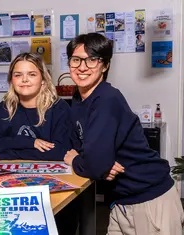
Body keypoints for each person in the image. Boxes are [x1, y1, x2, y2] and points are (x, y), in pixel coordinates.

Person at [64, 33, 184, 234]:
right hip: (121, 201)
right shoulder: (78, 99)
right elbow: (76, 145)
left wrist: (86, 162)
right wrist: (97, 163)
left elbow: (91, 163)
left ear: (105, 65)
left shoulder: (107, 99)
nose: (82, 67)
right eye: (76, 60)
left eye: (92, 60)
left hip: (150, 199)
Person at [0, 52, 72, 161]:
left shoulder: (59, 108)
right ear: (11, 80)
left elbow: (61, 151)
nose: (24, 79)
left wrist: (11, 154)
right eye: (18, 75)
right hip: (14, 174)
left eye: (32, 74)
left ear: (43, 80)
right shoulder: (6, 107)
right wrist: (29, 142)